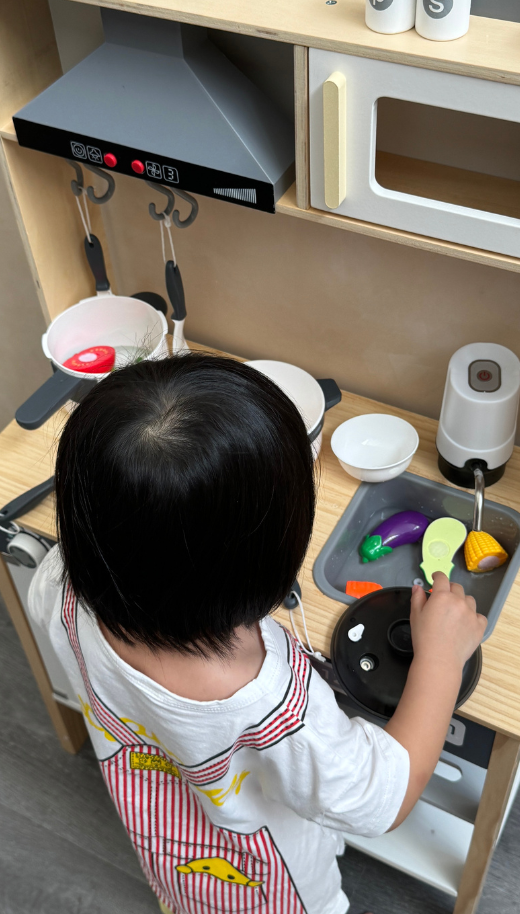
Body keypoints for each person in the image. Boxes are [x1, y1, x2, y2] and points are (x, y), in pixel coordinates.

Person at [28, 353, 486, 914]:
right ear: (266, 562)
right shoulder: (271, 701)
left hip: (170, 855)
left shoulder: (58, 584)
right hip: (276, 892)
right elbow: (379, 798)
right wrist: (440, 658)